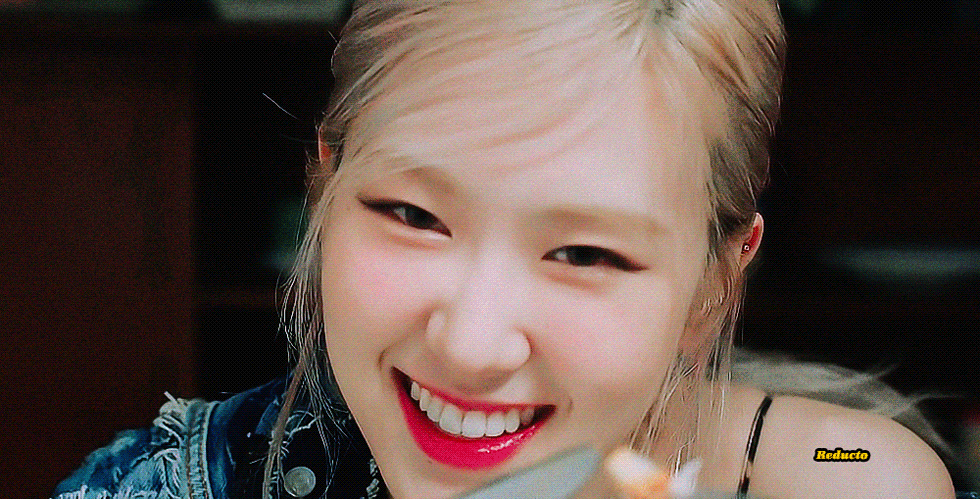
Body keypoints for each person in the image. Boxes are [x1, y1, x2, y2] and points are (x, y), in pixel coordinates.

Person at [53, 0, 962, 498]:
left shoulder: (847, 479)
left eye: (585, 255)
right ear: (323, 189)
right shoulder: (162, 487)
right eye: (414, 214)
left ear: (712, 287)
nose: (470, 344)